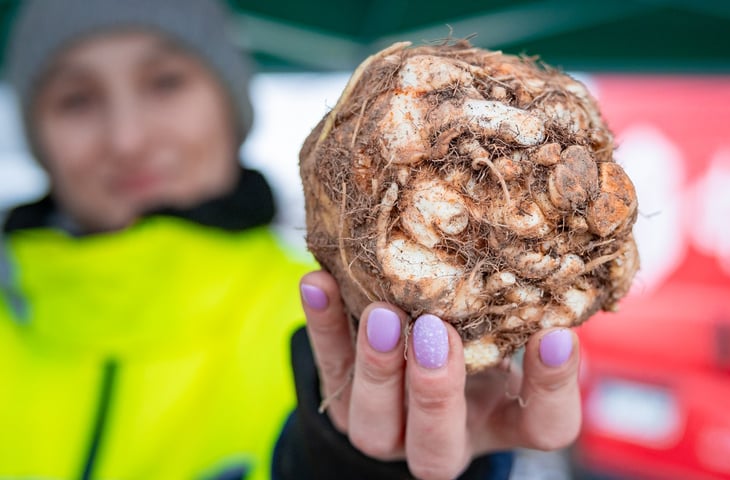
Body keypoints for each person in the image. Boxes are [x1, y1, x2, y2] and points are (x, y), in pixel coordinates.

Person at [0, 1, 583, 479]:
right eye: (76, 99)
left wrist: (366, 466)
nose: (126, 138)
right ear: (37, 136)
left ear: (232, 106)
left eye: (165, 82)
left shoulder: (348, 312)